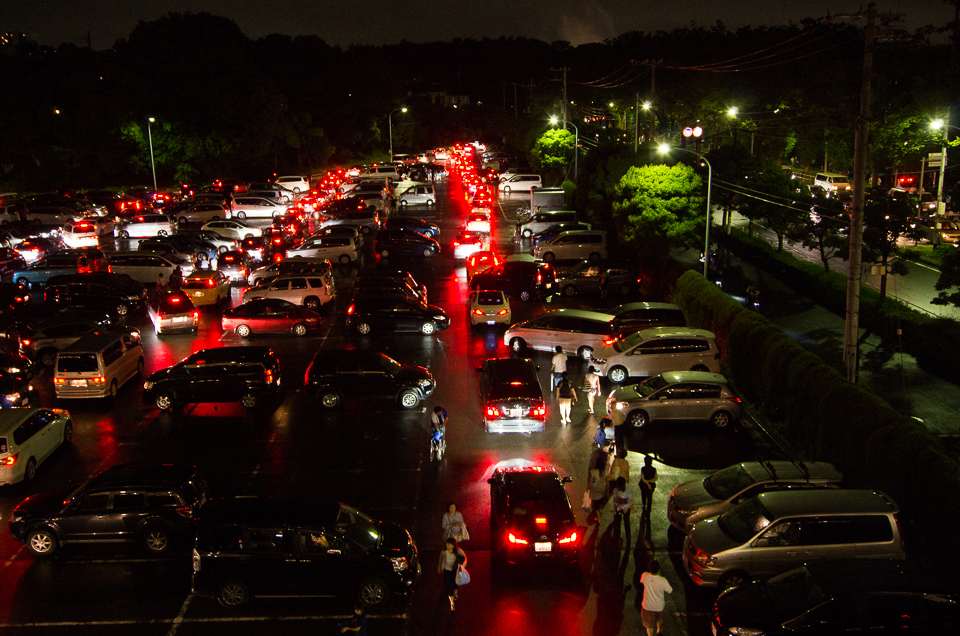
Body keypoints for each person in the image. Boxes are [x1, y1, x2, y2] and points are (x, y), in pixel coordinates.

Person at [641, 560, 673, 636]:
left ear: (650, 568)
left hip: (648, 606)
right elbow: (670, 590)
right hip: (659, 607)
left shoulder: (645, 576)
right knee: (659, 620)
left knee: (649, 625)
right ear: (658, 569)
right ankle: (659, 632)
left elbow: (642, 581)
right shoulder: (663, 580)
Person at [438, 537, 466, 610]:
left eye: (449, 544)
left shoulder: (457, 551)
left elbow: (464, 557)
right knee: (449, 585)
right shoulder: (444, 551)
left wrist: (462, 566)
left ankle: (455, 592)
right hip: (446, 570)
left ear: (453, 545)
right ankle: (452, 603)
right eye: (447, 544)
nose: (447, 545)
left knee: (455, 583)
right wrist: (439, 566)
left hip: (454, 570)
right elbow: (441, 559)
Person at [587, 455, 608, 524]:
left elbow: (591, 481)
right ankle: (600, 510)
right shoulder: (606, 472)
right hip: (603, 489)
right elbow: (607, 481)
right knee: (599, 501)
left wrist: (588, 488)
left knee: (595, 505)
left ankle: (598, 518)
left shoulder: (593, 471)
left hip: (595, 489)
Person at [611, 476, 633, 540]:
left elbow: (615, 501)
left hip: (619, 508)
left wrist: (615, 510)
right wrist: (626, 508)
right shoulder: (628, 490)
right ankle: (628, 537)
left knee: (617, 523)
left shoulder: (615, 490)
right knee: (627, 522)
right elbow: (630, 500)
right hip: (626, 508)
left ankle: (616, 538)